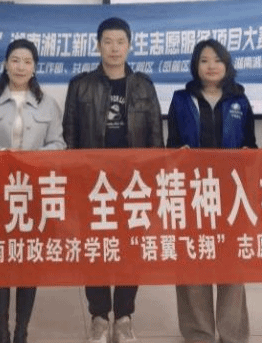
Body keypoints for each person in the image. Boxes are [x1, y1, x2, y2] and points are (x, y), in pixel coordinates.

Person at [63, 17, 164, 343]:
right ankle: (98, 316)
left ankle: (123, 317)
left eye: (120, 42)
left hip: (133, 183)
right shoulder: (80, 85)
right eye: (108, 41)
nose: (114, 48)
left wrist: (153, 181)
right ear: (98, 46)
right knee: (94, 248)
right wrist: (76, 180)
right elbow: (70, 136)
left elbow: (155, 138)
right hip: (93, 183)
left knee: (130, 249)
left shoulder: (143, 86)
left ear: (129, 46)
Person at [0, 38, 66, 343]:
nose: (21, 67)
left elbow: (59, 145)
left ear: (35, 68)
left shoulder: (48, 104)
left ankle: (22, 330)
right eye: (15, 60)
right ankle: (2, 331)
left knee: (28, 263)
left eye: (27, 61)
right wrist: (1, 154)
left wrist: (33, 159)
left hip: (33, 195)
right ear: (5, 65)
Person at [166, 39, 254, 343]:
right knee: (193, 257)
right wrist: (179, 153)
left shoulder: (240, 100)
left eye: (217, 60)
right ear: (196, 66)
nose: (211, 66)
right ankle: (198, 332)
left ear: (226, 65)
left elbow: (250, 144)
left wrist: (248, 153)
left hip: (231, 192)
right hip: (192, 191)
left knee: (231, 261)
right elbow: (171, 145)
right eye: (204, 60)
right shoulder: (181, 99)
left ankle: (232, 332)